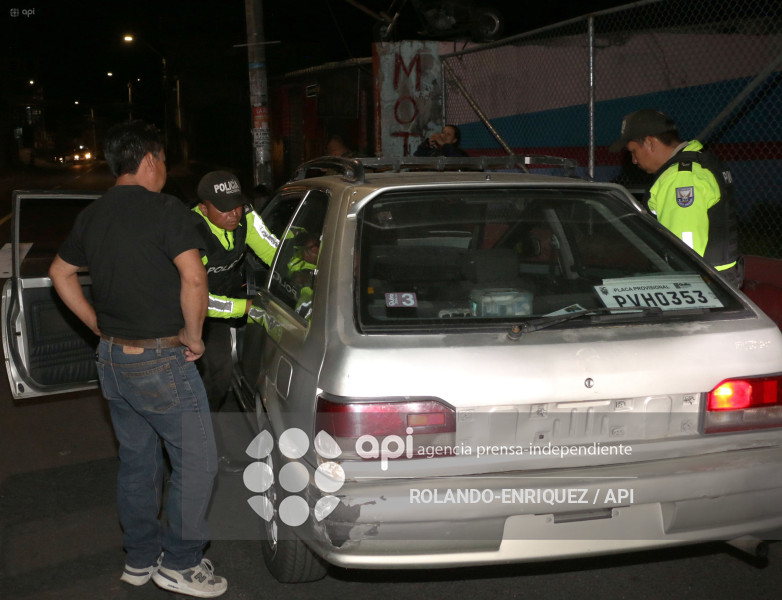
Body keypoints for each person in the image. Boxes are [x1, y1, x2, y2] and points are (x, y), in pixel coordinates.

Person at [48, 121, 227, 598]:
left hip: (111, 360)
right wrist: (194, 338)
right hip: (161, 360)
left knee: (137, 463)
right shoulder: (167, 210)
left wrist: (95, 325)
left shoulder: (92, 214)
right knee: (198, 461)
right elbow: (194, 280)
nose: (165, 170)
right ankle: (183, 564)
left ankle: (142, 559)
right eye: (164, 161)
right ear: (149, 161)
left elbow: (59, 272)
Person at [192, 171, 278, 470]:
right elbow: (197, 300)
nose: (234, 214)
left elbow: (275, 253)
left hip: (224, 304)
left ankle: (207, 437)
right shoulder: (190, 231)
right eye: (224, 208)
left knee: (221, 376)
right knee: (202, 382)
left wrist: (306, 270)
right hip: (188, 312)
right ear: (204, 208)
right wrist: (246, 307)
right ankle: (201, 451)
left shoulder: (246, 218)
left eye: (238, 206)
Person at [609, 108, 741, 287]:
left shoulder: (681, 179)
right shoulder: (700, 164)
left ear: (650, 142)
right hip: (721, 282)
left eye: (633, 151)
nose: (633, 160)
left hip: (702, 289)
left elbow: (685, 252)